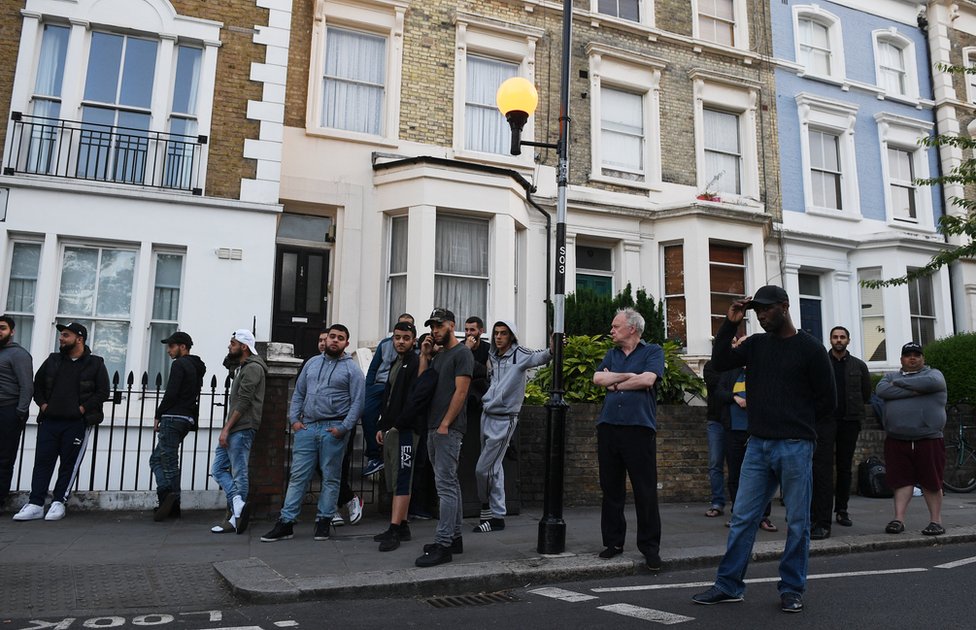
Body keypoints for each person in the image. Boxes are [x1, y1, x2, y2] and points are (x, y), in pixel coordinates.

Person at [692, 285, 834, 614]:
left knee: (798, 522)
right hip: (757, 444)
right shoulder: (755, 345)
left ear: (784, 306)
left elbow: (828, 402)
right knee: (742, 518)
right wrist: (731, 322)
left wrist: (800, 426)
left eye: (767, 310)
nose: (762, 316)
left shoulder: (810, 349)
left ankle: (792, 588)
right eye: (757, 312)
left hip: (795, 445)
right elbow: (721, 360)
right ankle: (728, 585)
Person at [261, 324, 365, 542]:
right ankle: (286, 523)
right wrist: (294, 421)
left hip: (333, 429)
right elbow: (299, 393)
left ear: (346, 343)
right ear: (326, 340)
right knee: (298, 476)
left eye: (340, 338)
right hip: (307, 428)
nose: (335, 341)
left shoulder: (352, 369)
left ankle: (324, 521)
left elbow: (357, 402)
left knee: (331, 478)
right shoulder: (311, 363)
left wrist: (343, 428)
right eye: (332, 337)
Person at [591, 308, 665, 571]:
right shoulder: (611, 354)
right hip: (609, 427)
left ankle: (650, 549)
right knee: (611, 489)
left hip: (639, 429)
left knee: (645, 492)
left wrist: (616, 383)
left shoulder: (652, 351)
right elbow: (598, 378)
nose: (611, 330)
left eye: (615, 326)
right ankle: (613, 543)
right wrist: (627, 376)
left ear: (632, 329)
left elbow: (647, 379)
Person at [13, 322, 109, 522]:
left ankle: (59, 502)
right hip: (49, 421)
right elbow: (37, 386)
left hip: (77, 423)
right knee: (42, 462)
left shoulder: (96, 363)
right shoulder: (53, 360)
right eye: (61, 335)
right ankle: (36, 503)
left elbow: (102, 392)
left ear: (79, 338)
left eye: (66, 335)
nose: (61, 338)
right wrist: (44, 405)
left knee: (69, 464)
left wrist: (82, 409)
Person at [474, 320, 551, 532]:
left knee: (483, 469)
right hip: (487, 414)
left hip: (505, 418)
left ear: (511, 336)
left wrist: (554, 347)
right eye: (496, 333)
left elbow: (541, 356)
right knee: (494, 469)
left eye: (503, 333)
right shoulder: (492, 355)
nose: (498, 337)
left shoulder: (519, 355)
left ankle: (486, 507)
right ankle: (498, 517)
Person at [415, 308, 473, 568]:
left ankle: (444, 544)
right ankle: (455, 537)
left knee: (445, 486)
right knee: (451, 484)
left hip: (447, 429)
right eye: (432, 327)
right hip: (433, 426)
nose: (434, 331)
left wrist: (445, 424)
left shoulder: (462, 354)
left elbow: (461, 393)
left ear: (451, 325)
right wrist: (425, 357)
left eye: (439, 326)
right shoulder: (438, 356)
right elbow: (422, 386)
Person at [876, 341, 947, 536]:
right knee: (901, 481)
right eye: (908, 355)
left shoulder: (933, 375)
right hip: (897, 438)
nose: (913, 358)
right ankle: (898, 519)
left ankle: (936, 521)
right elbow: (882, 390)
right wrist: (916, 390)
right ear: (901, 359)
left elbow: (934, 384)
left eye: (917, 354)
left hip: (928, 437)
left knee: (931, 481)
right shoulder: (889, 377)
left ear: (923, 358)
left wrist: (898, 384)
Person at [372, 322, 432, 551]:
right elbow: (389, 397)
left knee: (402, 479)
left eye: (406, 338)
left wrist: (397, 425)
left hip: (407, 430)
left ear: (414, 340)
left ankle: (395, 529)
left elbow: (416, 399)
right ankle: (403, 525)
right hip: (394, 429)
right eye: (397, 337)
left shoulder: (416, 362)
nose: (400, 341)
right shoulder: (397, 362)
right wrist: (382, 424)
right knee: (396, 477)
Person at [210, 329, 267, 535]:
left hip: (242, 427)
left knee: (239, 472)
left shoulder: (253, 368)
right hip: (236, 427)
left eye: (233, 343)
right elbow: (228, 363)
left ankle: (235, 517)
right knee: (218, 469)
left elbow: (244, 401)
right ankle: (237, 504)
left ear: (244, 346)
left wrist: (226, 428)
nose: (229, 346)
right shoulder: (243, 366)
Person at [150, 331, 206, 521]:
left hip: (172, 417)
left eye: (172, 346)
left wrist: (158, 414)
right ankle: (168, 499)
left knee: (168, 462)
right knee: (157, 459)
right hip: (186, 419)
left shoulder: (179, 364)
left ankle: (170, 502)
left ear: (183, 347)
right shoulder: (197, 366)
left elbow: (172, 393)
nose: (168, 351)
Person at [826, 326, 871, 530]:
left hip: (849, 421)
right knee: (822, 468)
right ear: (830, 340)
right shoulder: (821, 363)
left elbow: (866, 394)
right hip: (825, 422)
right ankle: (822, 510)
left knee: (844, 468)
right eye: (835, 337)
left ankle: (842, 510)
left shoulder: (859, 366)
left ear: (848, 340)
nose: (838, 340)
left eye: (842, 337)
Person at [721, 365, 776, 532]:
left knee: (763, 475)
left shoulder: (762, 371)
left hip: (757, 432)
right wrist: (735, 397)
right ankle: (738, 515)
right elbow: (718, 393)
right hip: (733, 431)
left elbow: (772, 394)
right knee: (735, 475)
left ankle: (763, 516)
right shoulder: (730, 373)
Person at [361, 313, 416, 478]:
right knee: (367, 412)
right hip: (379, 385)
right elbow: (373, 368)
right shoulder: (384, 345)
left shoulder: (416, 350)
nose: (401, 339)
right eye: (398, 334)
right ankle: (373, 456)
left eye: (407, 331)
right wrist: (368, 387)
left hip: (397, 386)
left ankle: (383, 451)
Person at [0, 315, 33, 512]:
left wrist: (19, 412)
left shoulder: (18, 354)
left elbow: (27, 386)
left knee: (4, 458)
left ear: (11, 332)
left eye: (2, 328)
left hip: (8, 411)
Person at [702, 359, 727, 518]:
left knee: (740, 466)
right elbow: (716, 386)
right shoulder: (711, 365)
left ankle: (740, 506)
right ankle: (717, 502)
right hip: (716, 420)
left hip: (736, 421)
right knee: (715, 463)